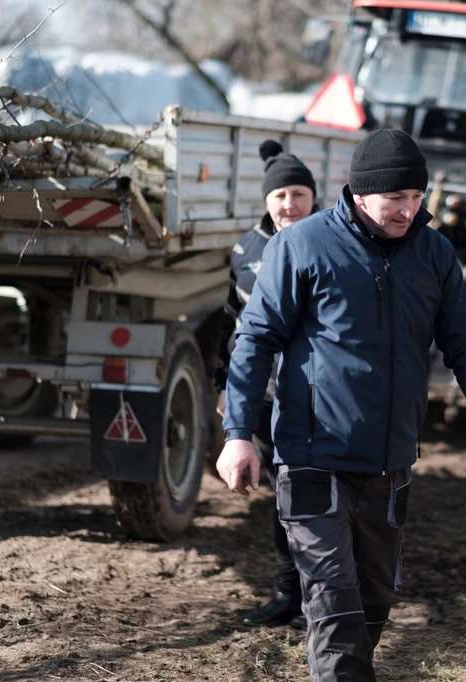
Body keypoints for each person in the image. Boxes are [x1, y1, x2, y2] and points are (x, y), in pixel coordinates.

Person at [218, 129, 466, 681]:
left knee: (370, 609)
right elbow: (255, 340)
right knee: (335, 612)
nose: (409, 211)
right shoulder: (302, 247)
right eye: (396, 200)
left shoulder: (433, 253)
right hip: (313, 457)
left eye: (417, 198)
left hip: (389, 465)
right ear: (360, 195)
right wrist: (239, 433)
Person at [214, 139, 318, 629]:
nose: (289, 204)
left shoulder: (326, 243)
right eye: (280, 195)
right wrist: (225, 387)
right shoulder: (246, 249)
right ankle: (286, 594)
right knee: (281, 498)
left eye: (298, 193)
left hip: (312, 397)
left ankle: (320, 597)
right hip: (262, 395)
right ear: (266, 201)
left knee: (310, 498)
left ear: (314, 199)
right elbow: (232, 324)